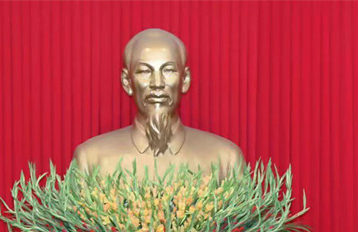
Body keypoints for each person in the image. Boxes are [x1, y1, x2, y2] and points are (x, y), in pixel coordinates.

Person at [73, 28, 244, 178]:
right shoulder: (91, 160)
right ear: (127, 82)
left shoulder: (226, 160)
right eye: (144, 71)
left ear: (185, 80)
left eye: (168, 70)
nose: (157, 83)